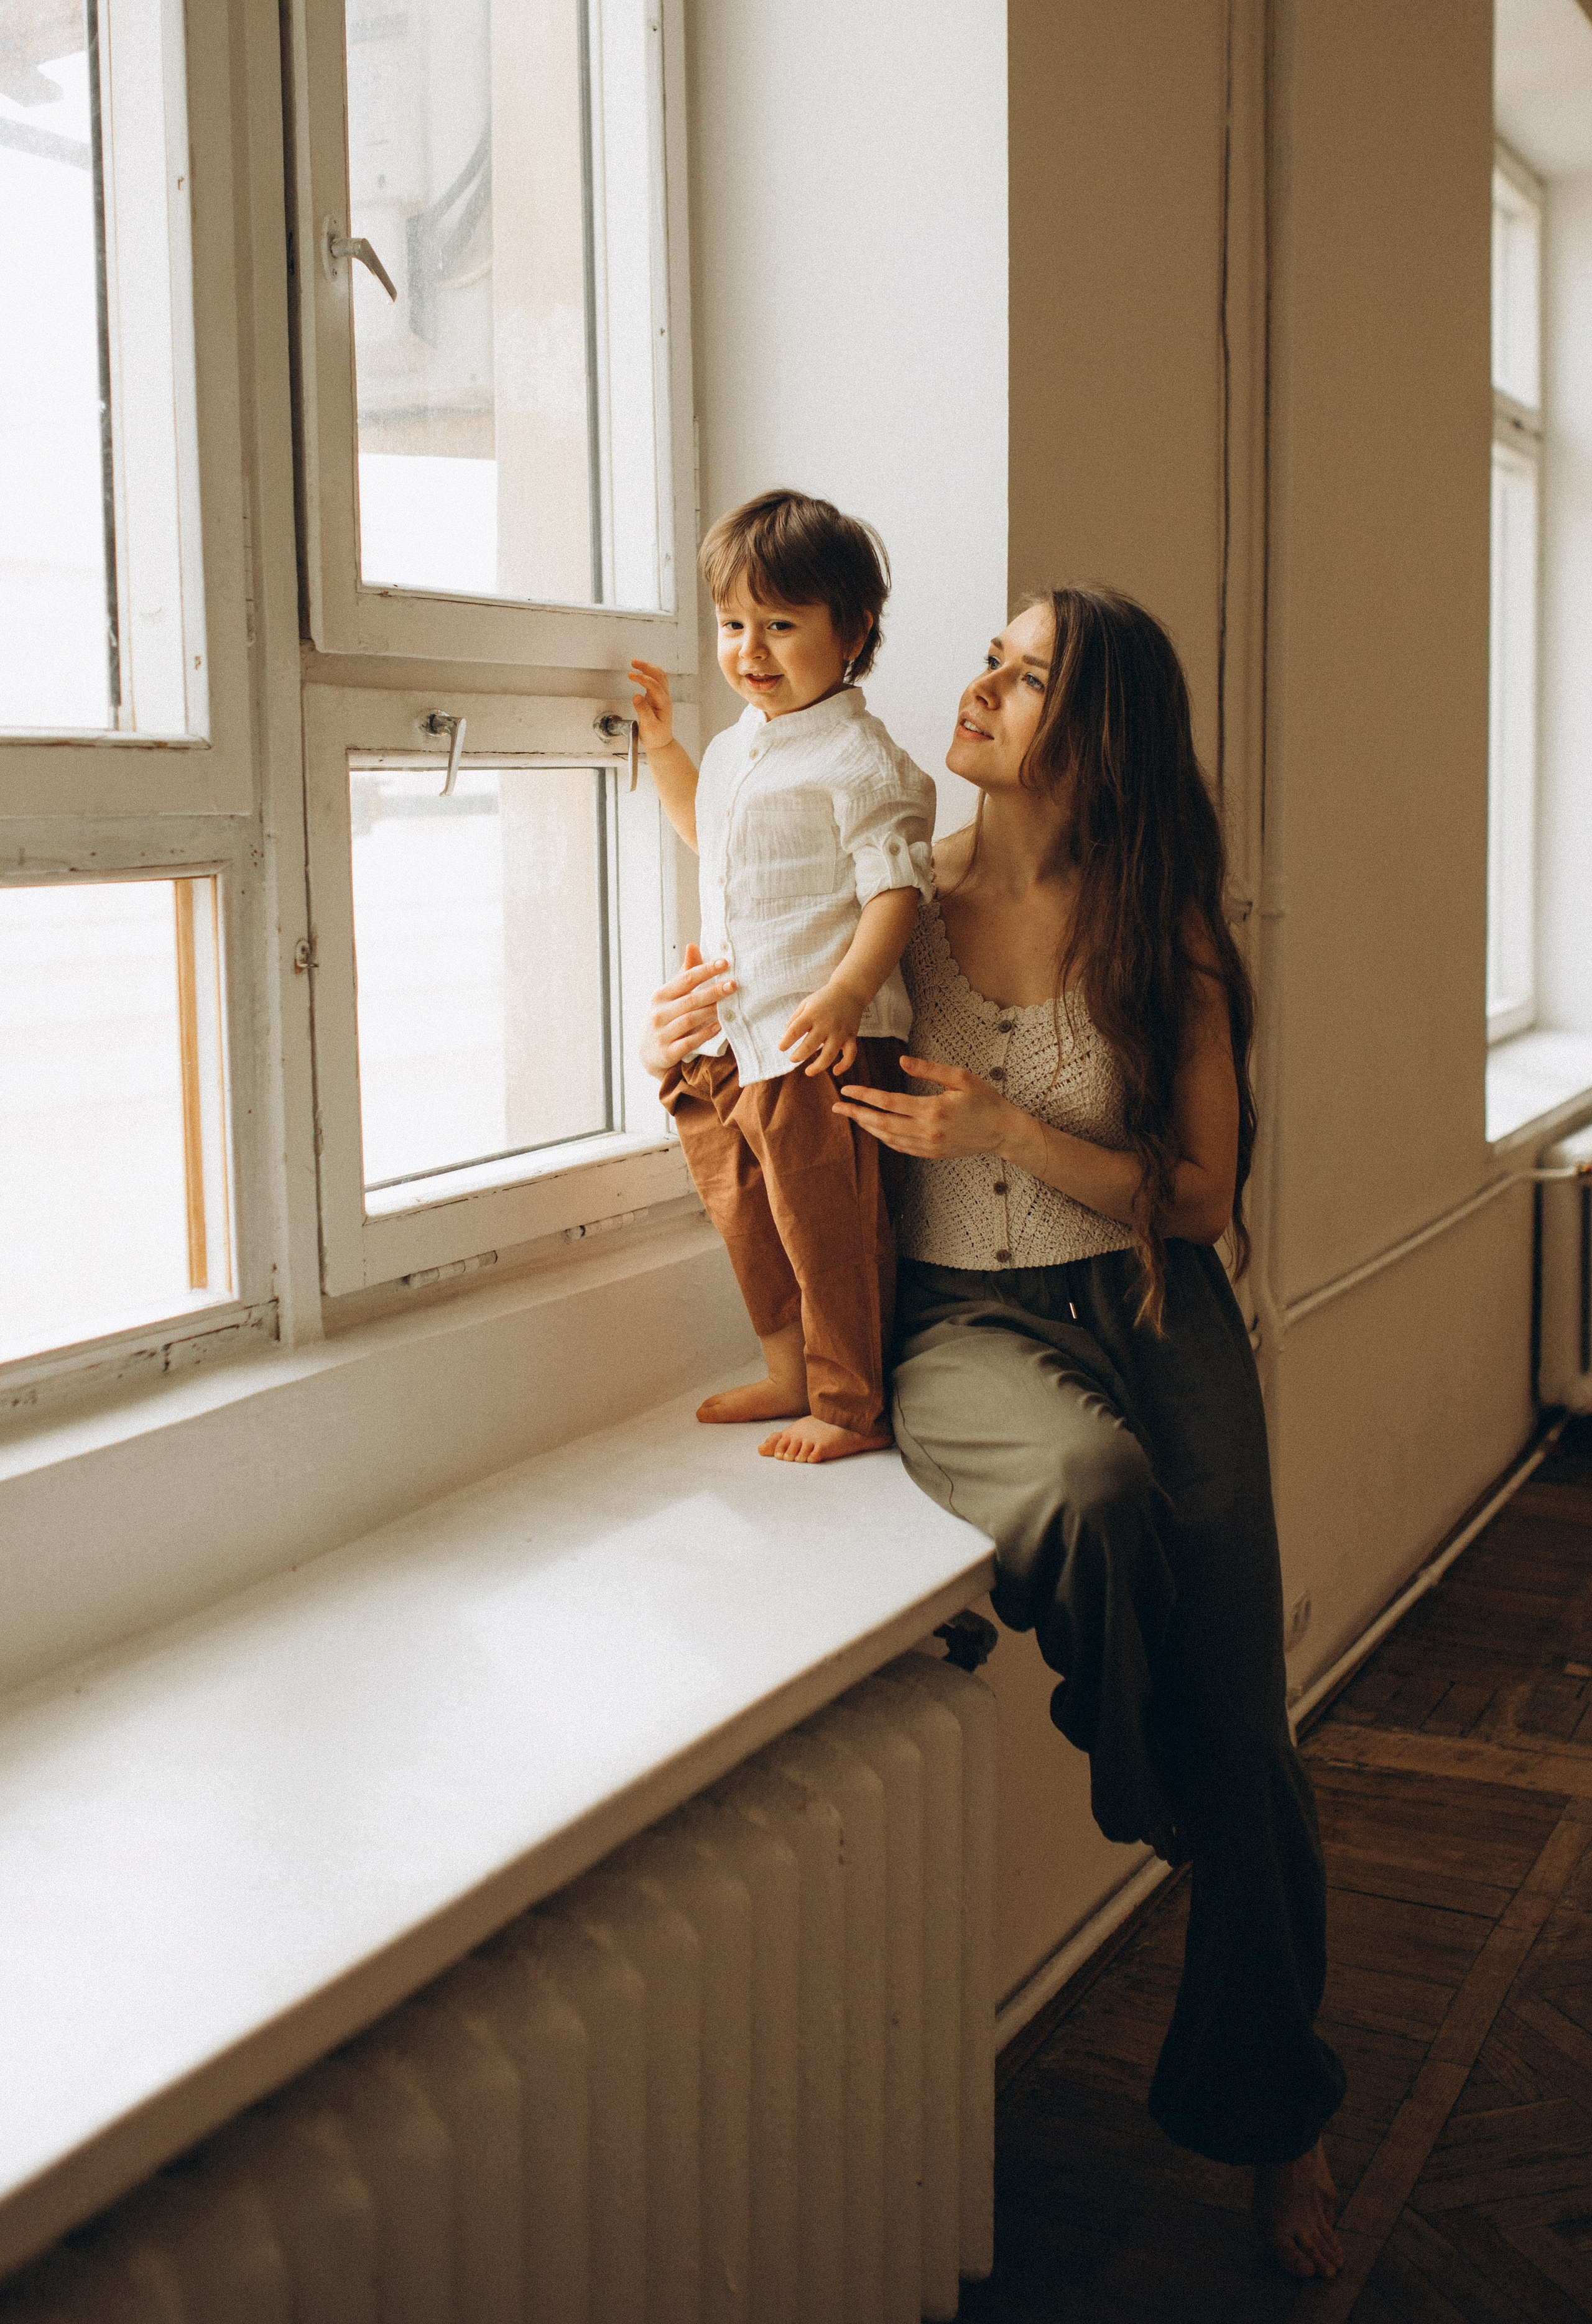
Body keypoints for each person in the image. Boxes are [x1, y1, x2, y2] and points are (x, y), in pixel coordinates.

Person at [826, 585, 1348, 2280]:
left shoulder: (1164, 931)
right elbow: (780, 974)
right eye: (988, 654)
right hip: (963, 1325)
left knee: (1260, 1754)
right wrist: (702, 1019)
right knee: (1090, 1496)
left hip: (1150, 1303)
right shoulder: (899, 896)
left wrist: (1003, 1124)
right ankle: (1157, 1790)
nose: (977, 685)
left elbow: (1200, 1199)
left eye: (1025, 673)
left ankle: (1279, 2117)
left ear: (1095, 730)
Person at [627, 488, 934, 1464]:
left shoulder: (862, 760)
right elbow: (703, 832)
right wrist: (666, 748)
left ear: (854, 633)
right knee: (747, 1217)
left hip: (814, 1043)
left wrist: (848, 992)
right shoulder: (733, 748)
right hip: (731, 1038)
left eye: (780, 625)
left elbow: (897, 891)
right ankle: (788, 1368)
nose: (749, 650)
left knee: (826, 1227)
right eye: (732, 625)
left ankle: (850, 1404)